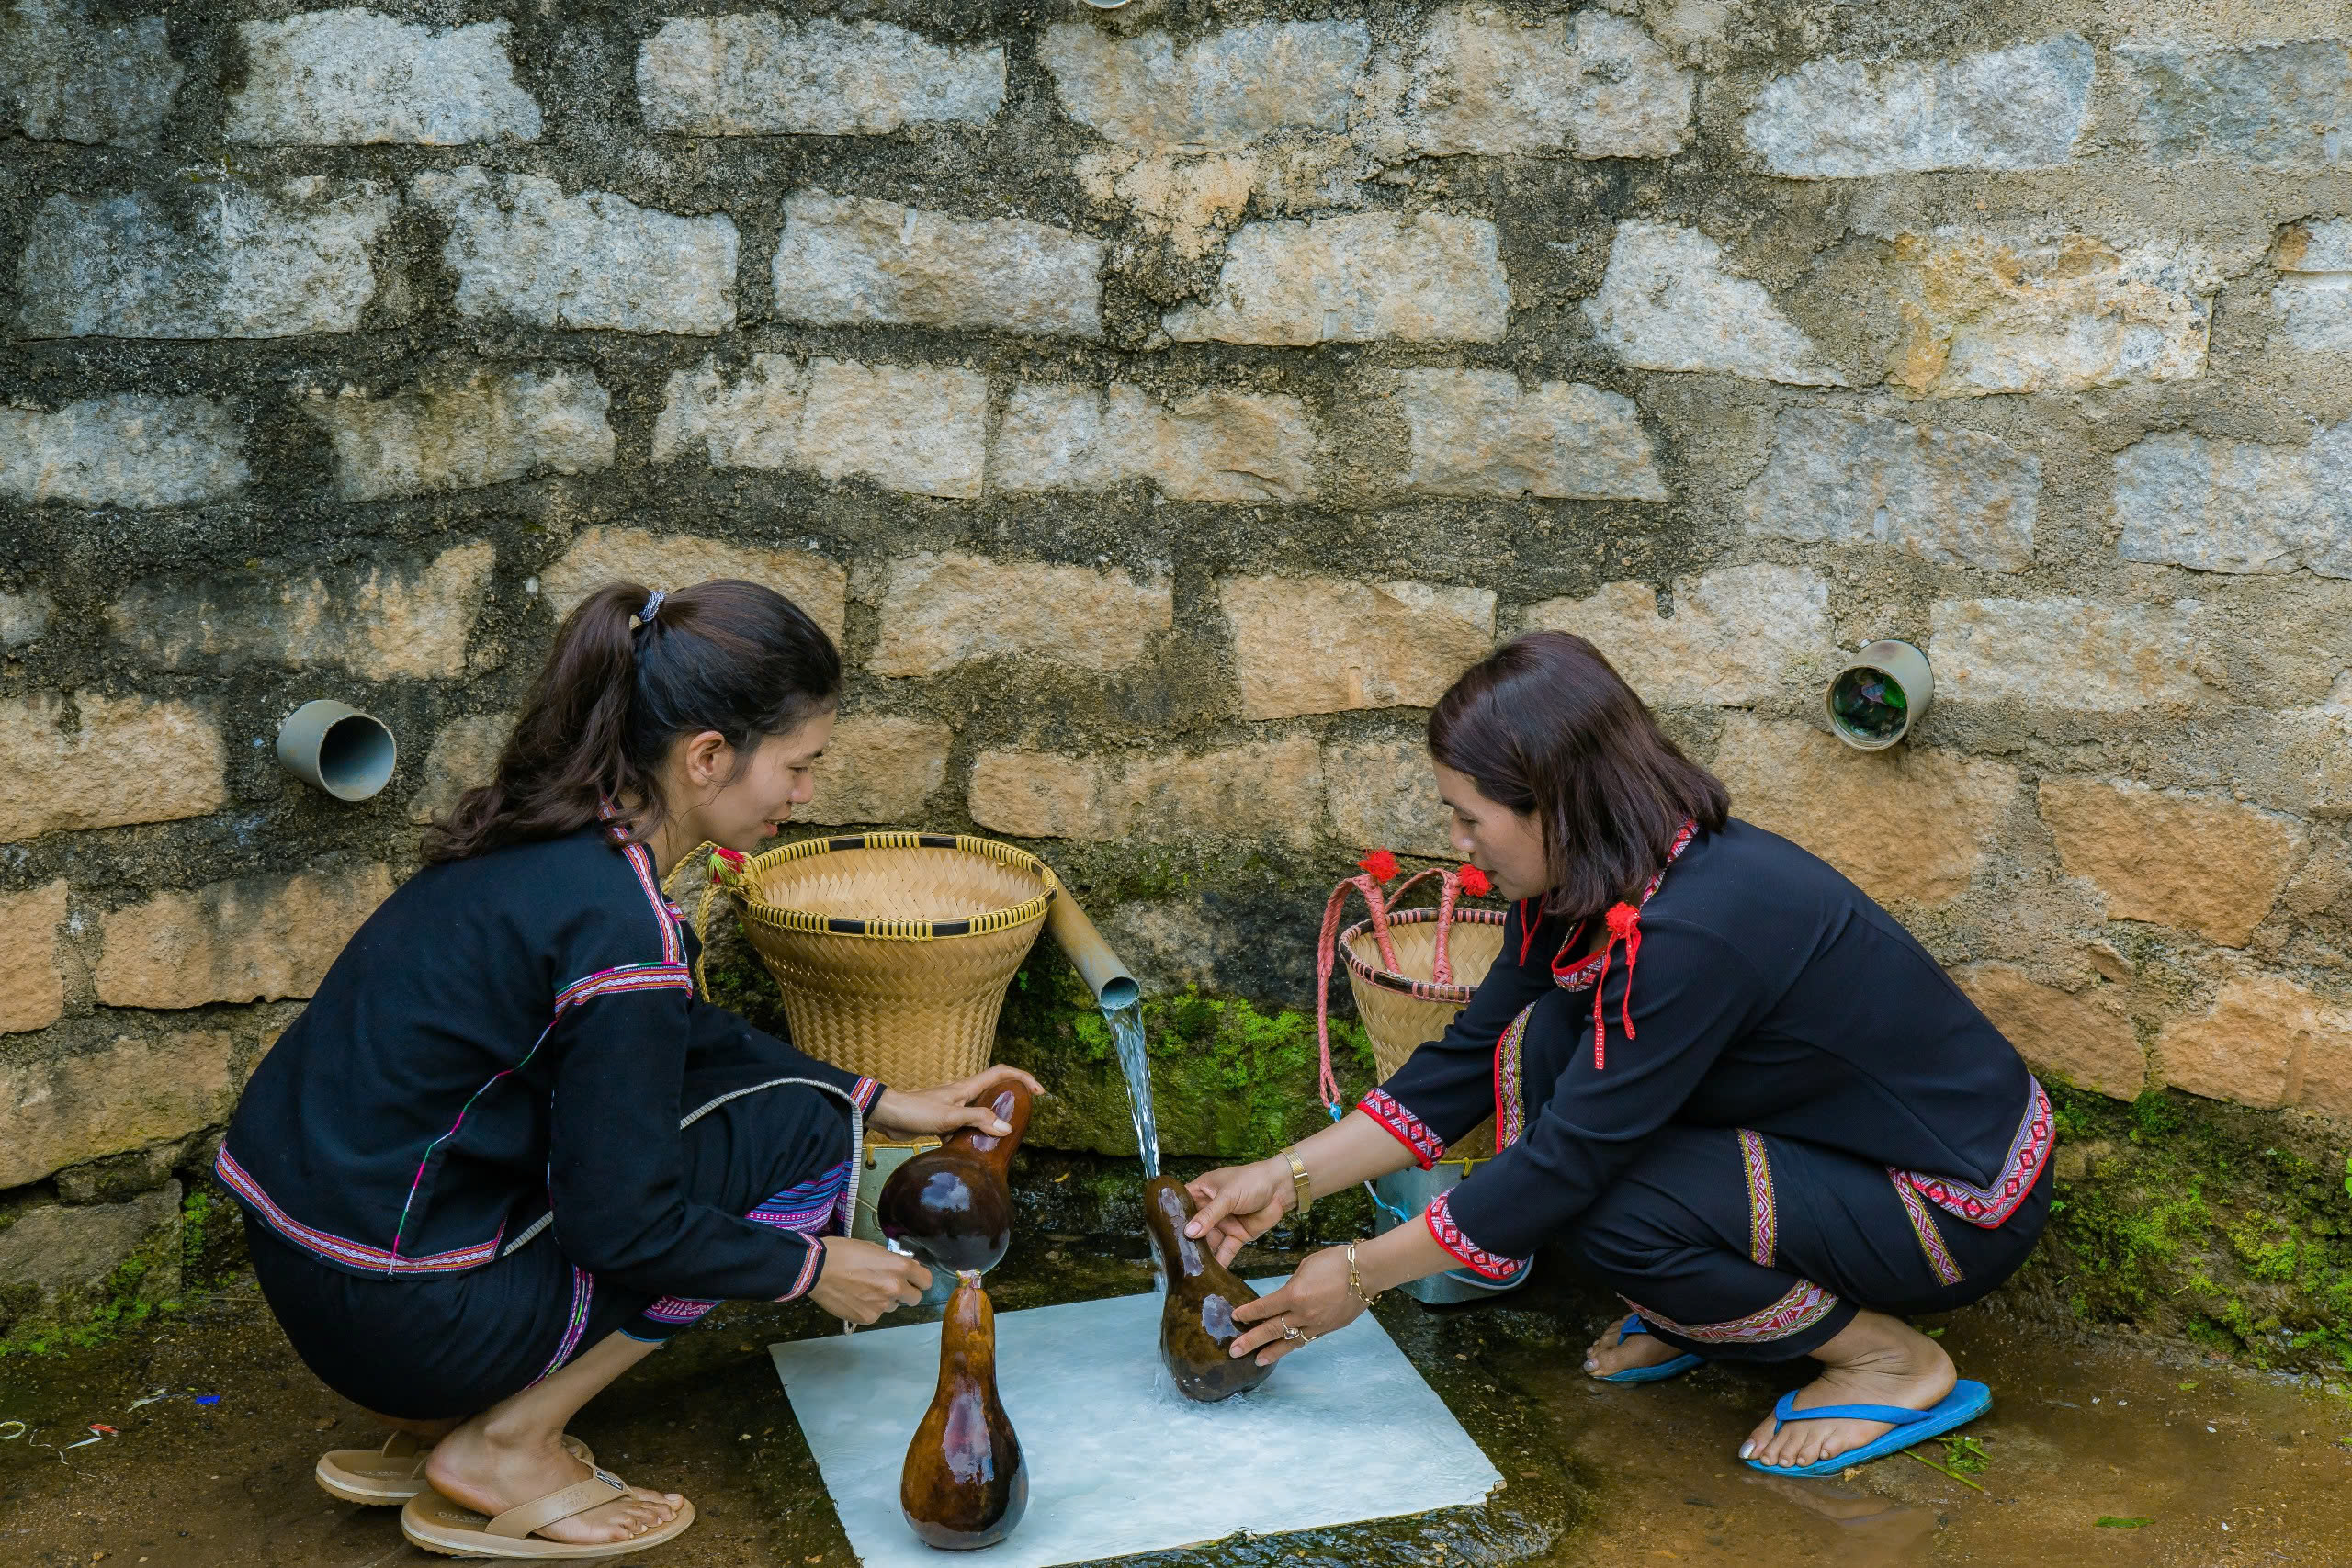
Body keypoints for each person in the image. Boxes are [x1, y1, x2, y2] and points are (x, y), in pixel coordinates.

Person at [218, 579, 1040, 1558]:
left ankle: (454, 1422)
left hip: (311, 1266)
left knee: (809, 1110)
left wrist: (882, 1097)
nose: (806, 794)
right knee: (809, 1146)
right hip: (405, 1317)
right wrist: (813, 1265)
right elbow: (625, 1225)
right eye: (798, 764)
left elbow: (679, 1034)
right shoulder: (623, 928)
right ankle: (506, 1445)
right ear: (706, 757)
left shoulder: (540, 829)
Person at [1185, 631, 2050, 1477]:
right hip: (1826, 1147)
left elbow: (1565, 1166)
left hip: (1950, 1202)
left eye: (1470, 815)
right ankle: (1695, 1307)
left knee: (1595, 1209)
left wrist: (1357, 1273)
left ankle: (1888, 1360)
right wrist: (1284, 1174)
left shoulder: (1695, 930)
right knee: (1545, 1040)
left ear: (1553, 807)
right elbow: (1469, 1060)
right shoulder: (1584, 880)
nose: (1458, 839)